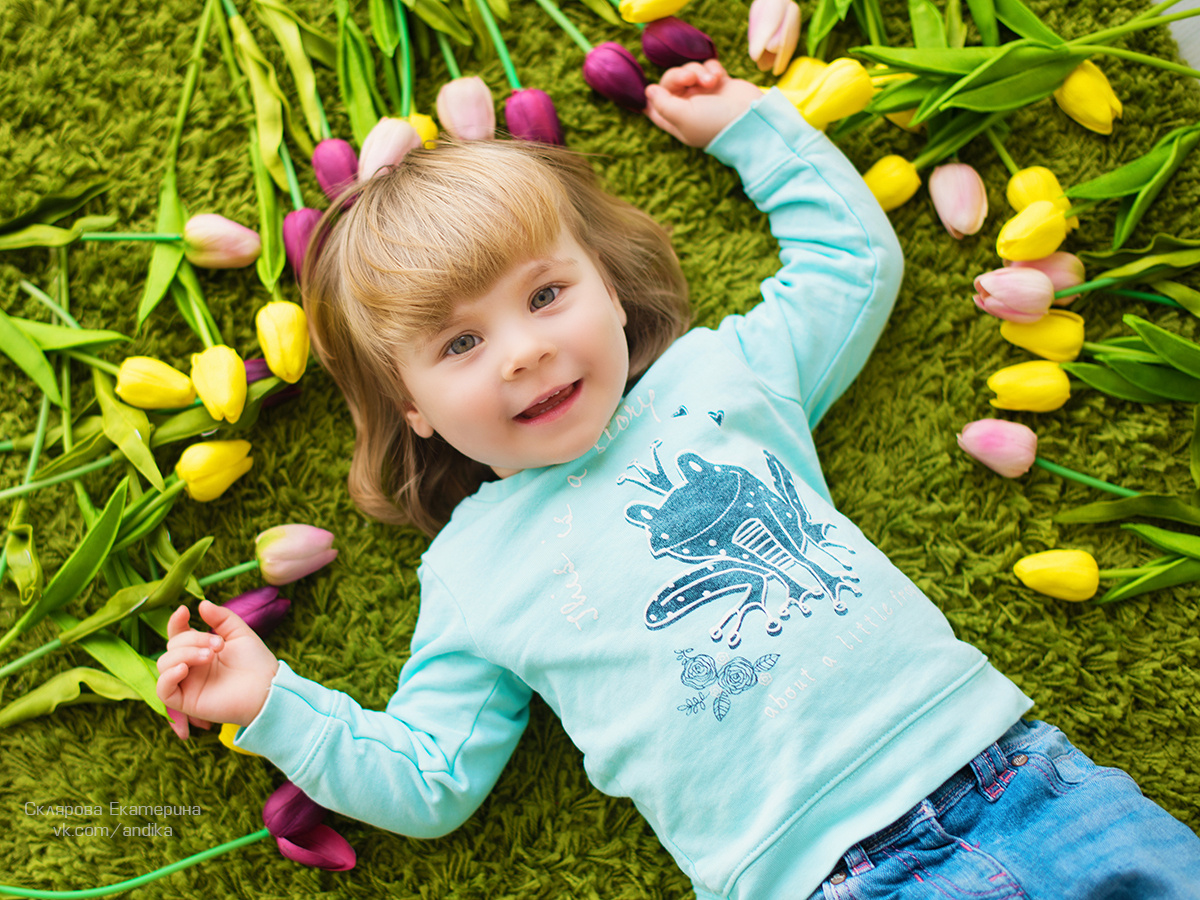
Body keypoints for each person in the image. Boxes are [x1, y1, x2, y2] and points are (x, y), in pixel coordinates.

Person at [156, 60, 1200, 898]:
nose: (524, 351)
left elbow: (851, 268)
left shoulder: (719, 375)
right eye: (460, 343)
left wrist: (752, 126)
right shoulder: (473, 570)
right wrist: (273, 701)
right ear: (413, 407)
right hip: (817, 878)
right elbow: (431, 775)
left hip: (1024, 780)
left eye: (547, 294)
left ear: (611, 293)